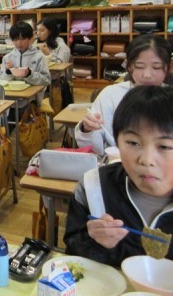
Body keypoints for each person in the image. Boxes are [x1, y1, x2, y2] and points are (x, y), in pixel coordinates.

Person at [64, 85, 173, 264]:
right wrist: (92, 241)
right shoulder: (94, 187)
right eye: (133, 143)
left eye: (164, 146)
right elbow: (72, 252)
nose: (147, 160)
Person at [75, 35, 171, 155]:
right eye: (140, 66)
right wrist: (87, 130)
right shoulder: (111, 95)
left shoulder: (170, 98)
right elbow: (94, 150)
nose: (147, 75)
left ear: (167, 68)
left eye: (156, 67)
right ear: (129, 67)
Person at [0, 21, 51, 105]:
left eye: (22, 39)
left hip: (32, 99)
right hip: (11, 98)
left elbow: (46, 80)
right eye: (15, 39)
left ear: (30, 38)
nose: (18, 43)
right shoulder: (7, 57)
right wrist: (8, 72)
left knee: (21, 109)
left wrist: (29, 74)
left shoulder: (38, 56)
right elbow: (1, 81)